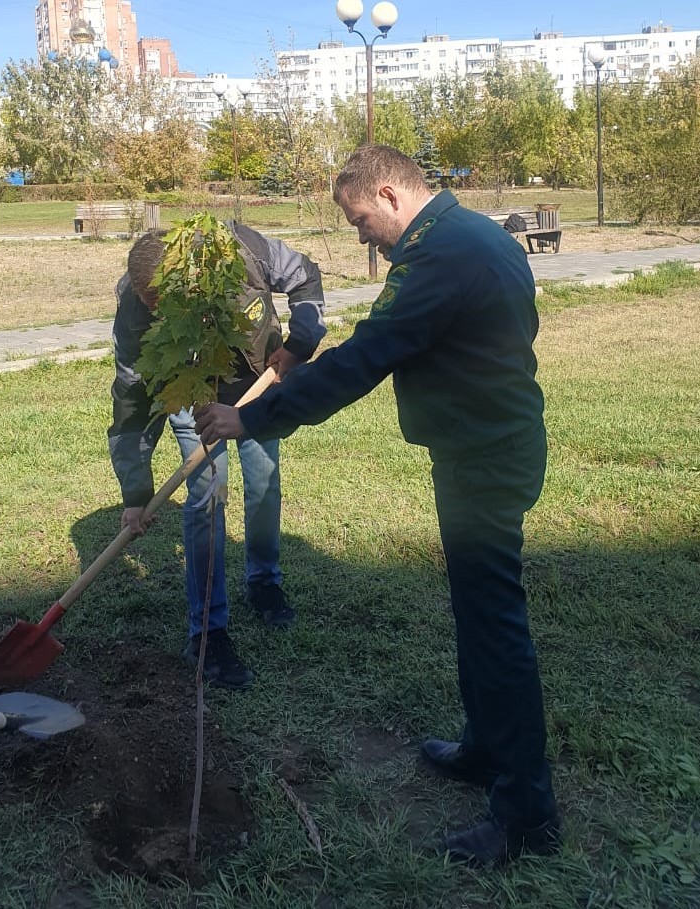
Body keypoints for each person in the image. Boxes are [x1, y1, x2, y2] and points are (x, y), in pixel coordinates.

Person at [194, 146, 560, 865]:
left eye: (360, 218)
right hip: (481, 447)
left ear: (388, 195)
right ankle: (486, 749)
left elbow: (367, 355)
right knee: (476, 615)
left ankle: (527, 815)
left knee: (495, 632)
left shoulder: (443, 253)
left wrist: (256, 417)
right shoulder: (467, 234)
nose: (361, 235)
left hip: (484, 459)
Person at [108, 224, 326, 690]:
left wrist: (299, 345)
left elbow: (306, 276)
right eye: (153, 310)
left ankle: (264, 582)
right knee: (207, 498)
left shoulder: (243, 251)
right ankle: (208, 630)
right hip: (195, 395)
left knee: (264, 483)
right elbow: (131, 399)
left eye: (166, 306)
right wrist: (136, 492)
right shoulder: (133, 306)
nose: (158, 315)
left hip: (256, 384)